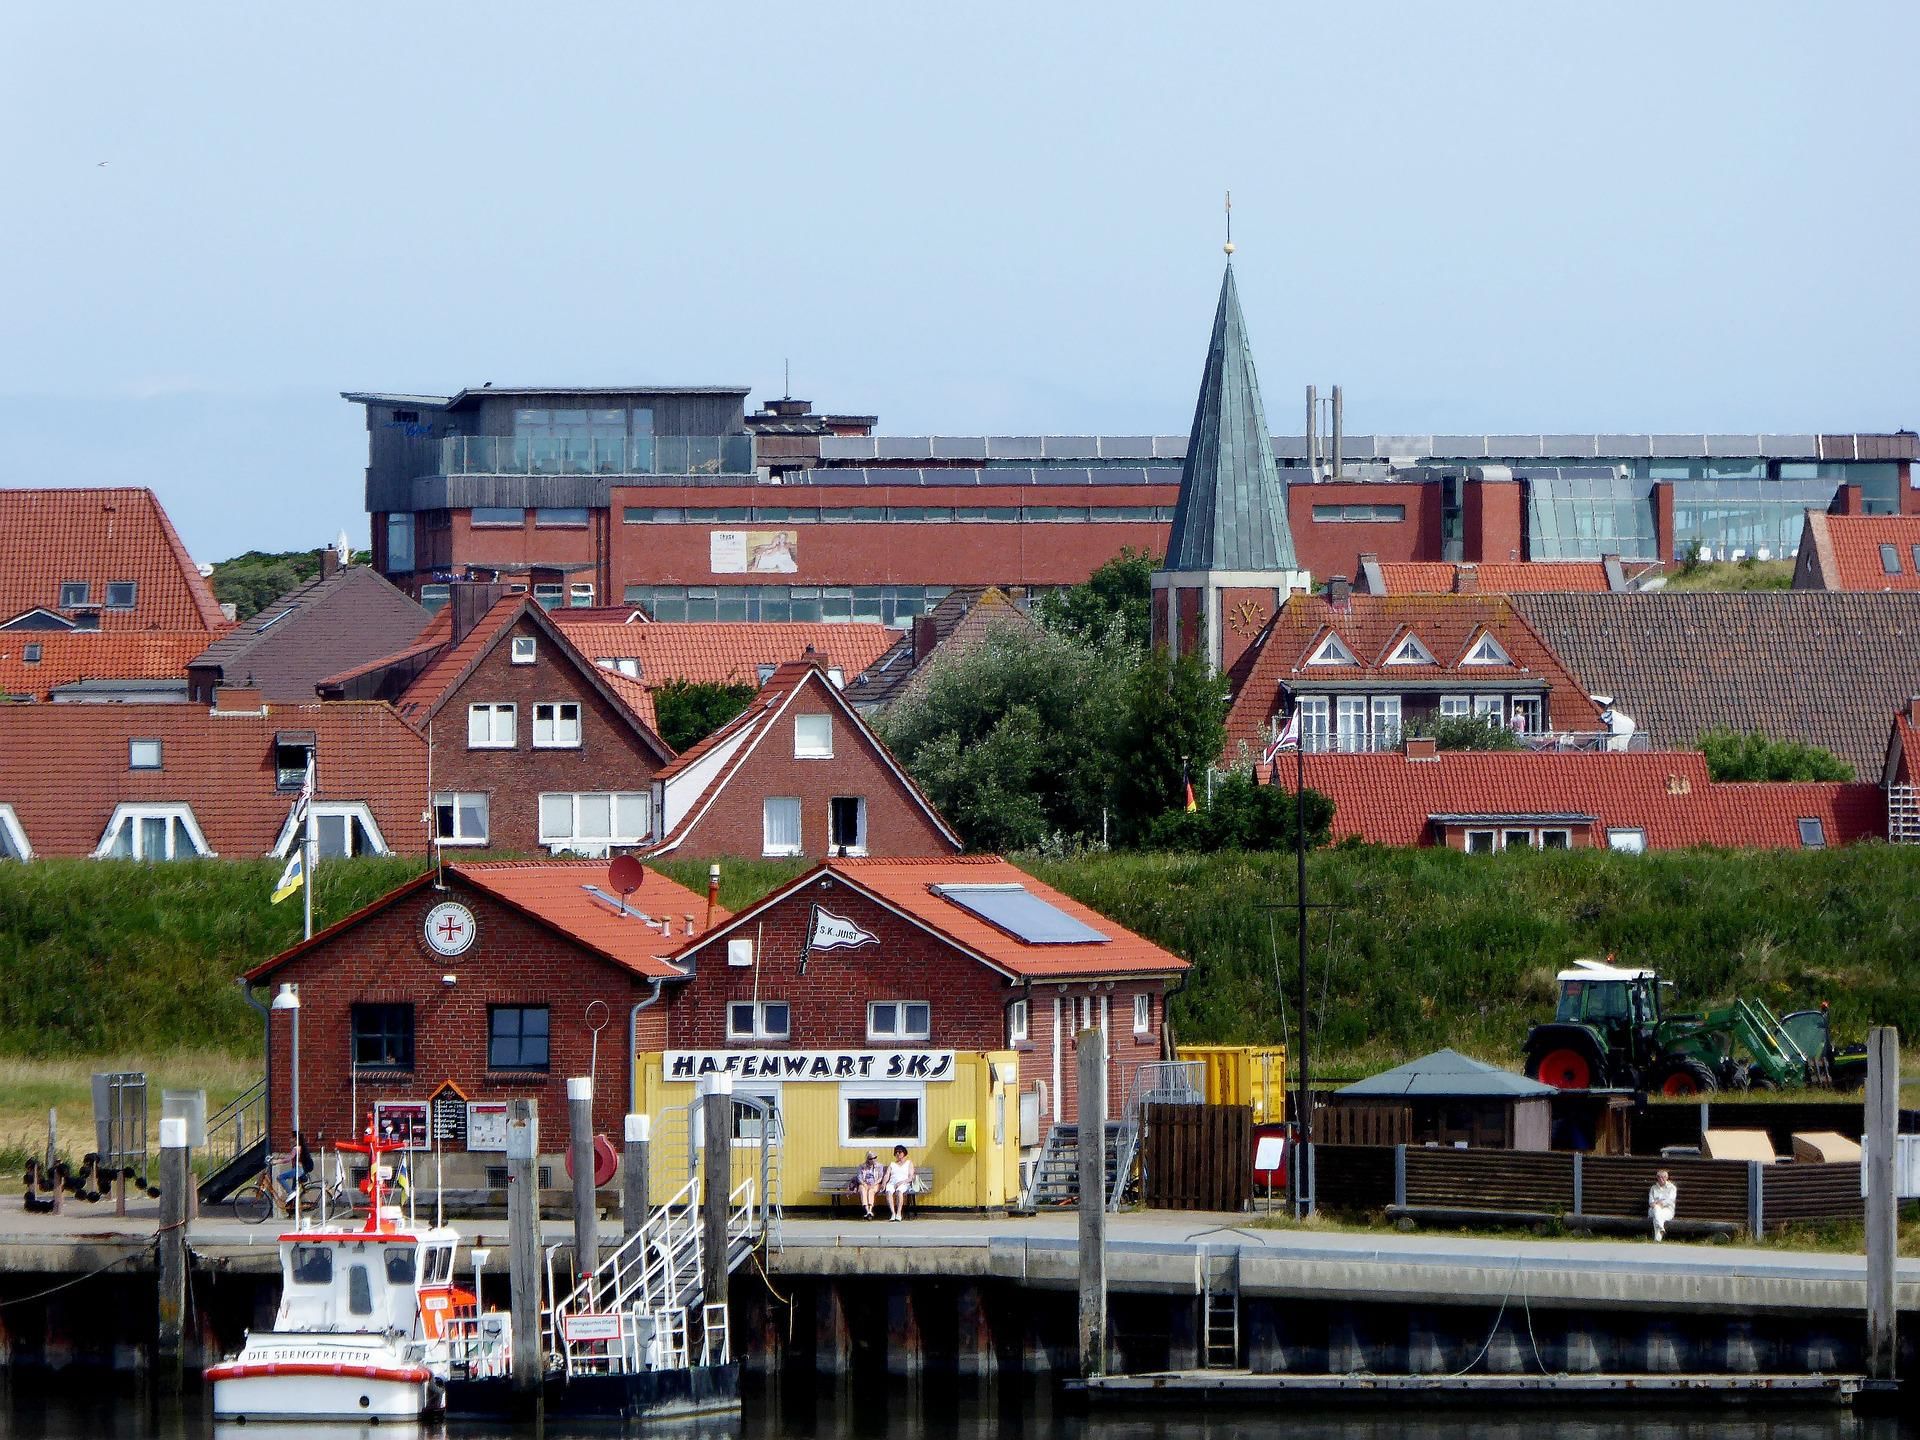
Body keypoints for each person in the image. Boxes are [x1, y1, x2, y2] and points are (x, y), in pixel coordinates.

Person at [276, 1131, 314, 1211]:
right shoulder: (300, 1147)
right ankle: (292, 1210)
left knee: (280, 1177)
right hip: (300, 1170)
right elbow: (290, 1156)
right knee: (294, 1193)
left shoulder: (296, 1148)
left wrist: (276, 1161)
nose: (289, 1139)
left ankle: (290, 1193)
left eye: (291, 1137)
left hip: (298, 1170)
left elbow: (288, 1159)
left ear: (295, 1138)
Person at [883, 1144, 917, 1222]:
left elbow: (911, 1177)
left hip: (904, 1183)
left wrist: (901, 1182)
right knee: (888, 1191)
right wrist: (884, 1183)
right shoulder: (892, 1164)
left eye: (900, 1152)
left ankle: (898, 1213)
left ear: (904, 1153)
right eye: (896, 1152)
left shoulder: (909, 1163)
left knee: (899, 1191)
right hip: (892, 1183)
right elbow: (887, 1175)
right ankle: (893, 1213)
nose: (898, 1154)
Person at [1648, 1168, 1677, 1242]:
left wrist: (1661, 1203)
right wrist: (1656, 1204)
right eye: (1659, 1177)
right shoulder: (1653, 1188)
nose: (1661, 1179)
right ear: (1657, 1178)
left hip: (1668, 1210)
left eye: (1663, 1177)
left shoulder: (1672, 1188)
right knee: (1656, 1209)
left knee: (1657, 1217)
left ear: (1667, 1177)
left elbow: (1670, 1200)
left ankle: (1657, 1239)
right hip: (1653, 1209)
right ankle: (1661, 1227)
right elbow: (1651, 1201)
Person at [853, 1151, 881, 1219]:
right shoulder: (862, 1166)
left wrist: (874, 1184)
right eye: (871, 1158)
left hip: (875, 1183)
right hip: (864, 1183)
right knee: (863, 1190)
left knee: (871, 1191)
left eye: (874, 1158)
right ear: (867, 1159)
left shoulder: (879, 1166)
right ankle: (867, 1210)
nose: (873, 1160)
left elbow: (880, 1177)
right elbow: (859, 1177)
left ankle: (870, 1209)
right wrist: (863, 1183)